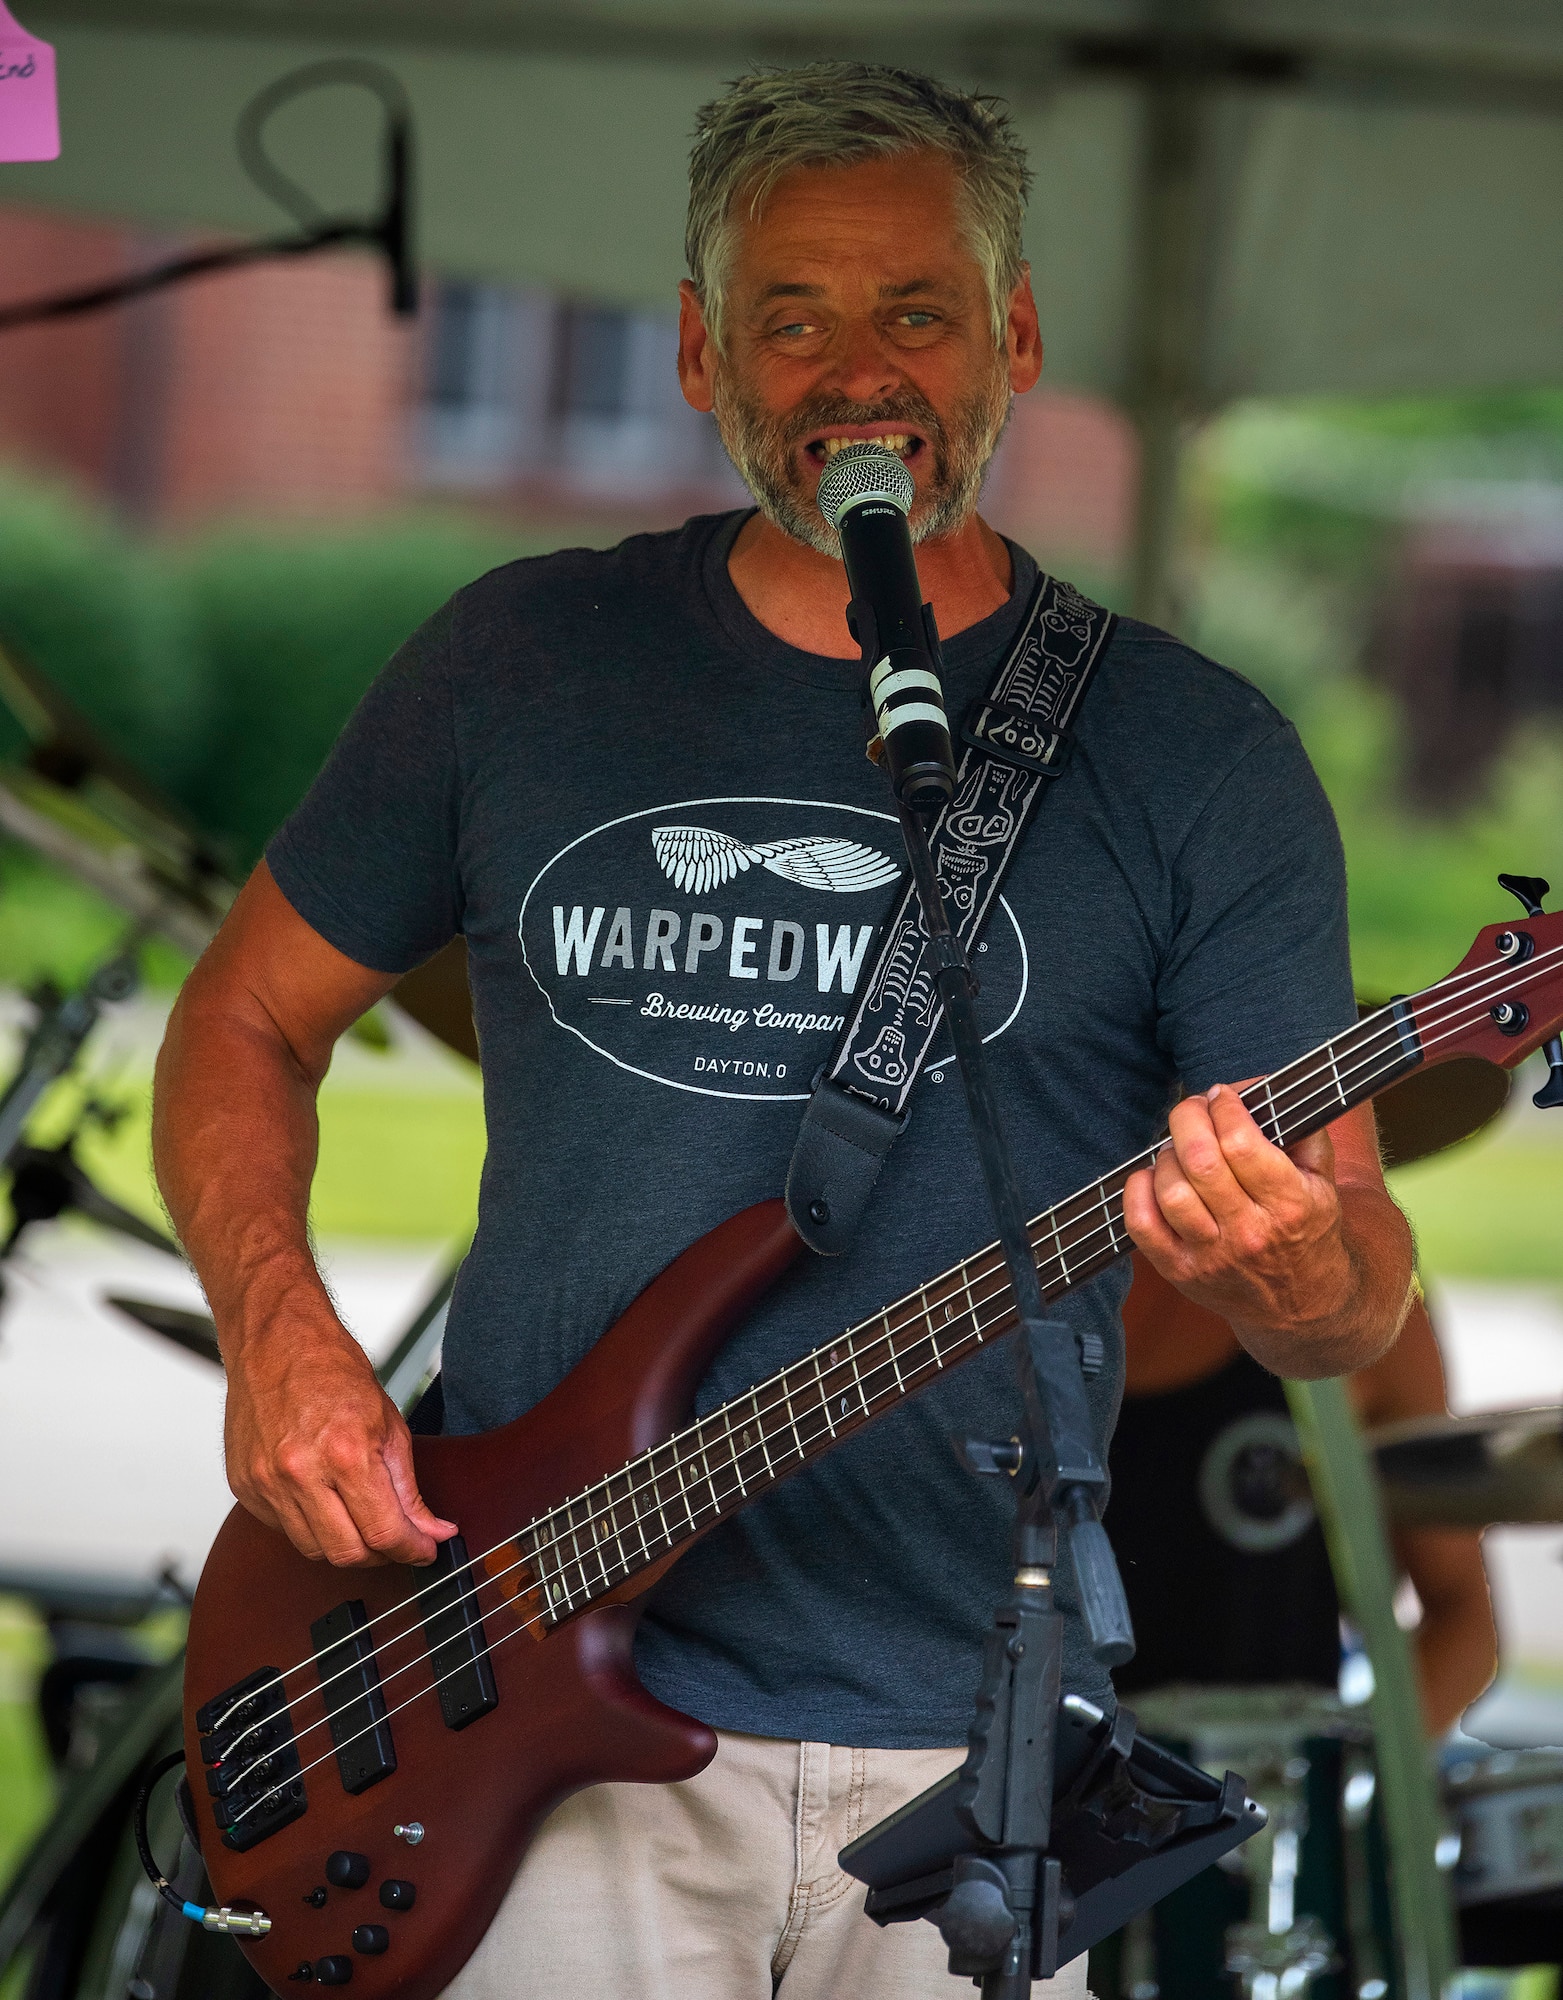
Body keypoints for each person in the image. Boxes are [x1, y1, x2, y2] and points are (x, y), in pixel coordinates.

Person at [152, 63, 1415, 2000]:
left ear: (1010, 334)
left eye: (913, 310)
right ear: (693, 348)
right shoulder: (522, 661)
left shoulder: (1193, 755)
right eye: (788, 314)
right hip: (513, 1689)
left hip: (966, 1755)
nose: (855, 370)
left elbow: (1346, 1299)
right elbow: (243, 1016)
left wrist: (1301, 1264)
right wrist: (284, 1342)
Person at [1112, 1246, 1496, 1734]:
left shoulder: (1359, 1300)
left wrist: (1352, 1779)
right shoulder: (997, 1283)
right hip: (1022, 1777)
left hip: (1269, 1790)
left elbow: (1460, 1617)